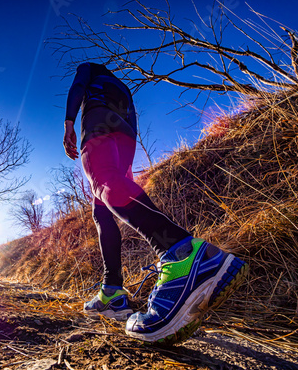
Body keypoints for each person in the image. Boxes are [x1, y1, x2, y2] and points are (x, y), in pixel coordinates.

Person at [62, 62, 248, 344]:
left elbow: (78, 86)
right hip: (125, 130)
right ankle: (112, 290)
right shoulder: (120, 84)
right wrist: (126, 162)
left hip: (98, 120)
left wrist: (69, 122)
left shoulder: (88, 69)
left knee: (101, 182)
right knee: (102, 208)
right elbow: (131, 119)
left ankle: (181, 252)